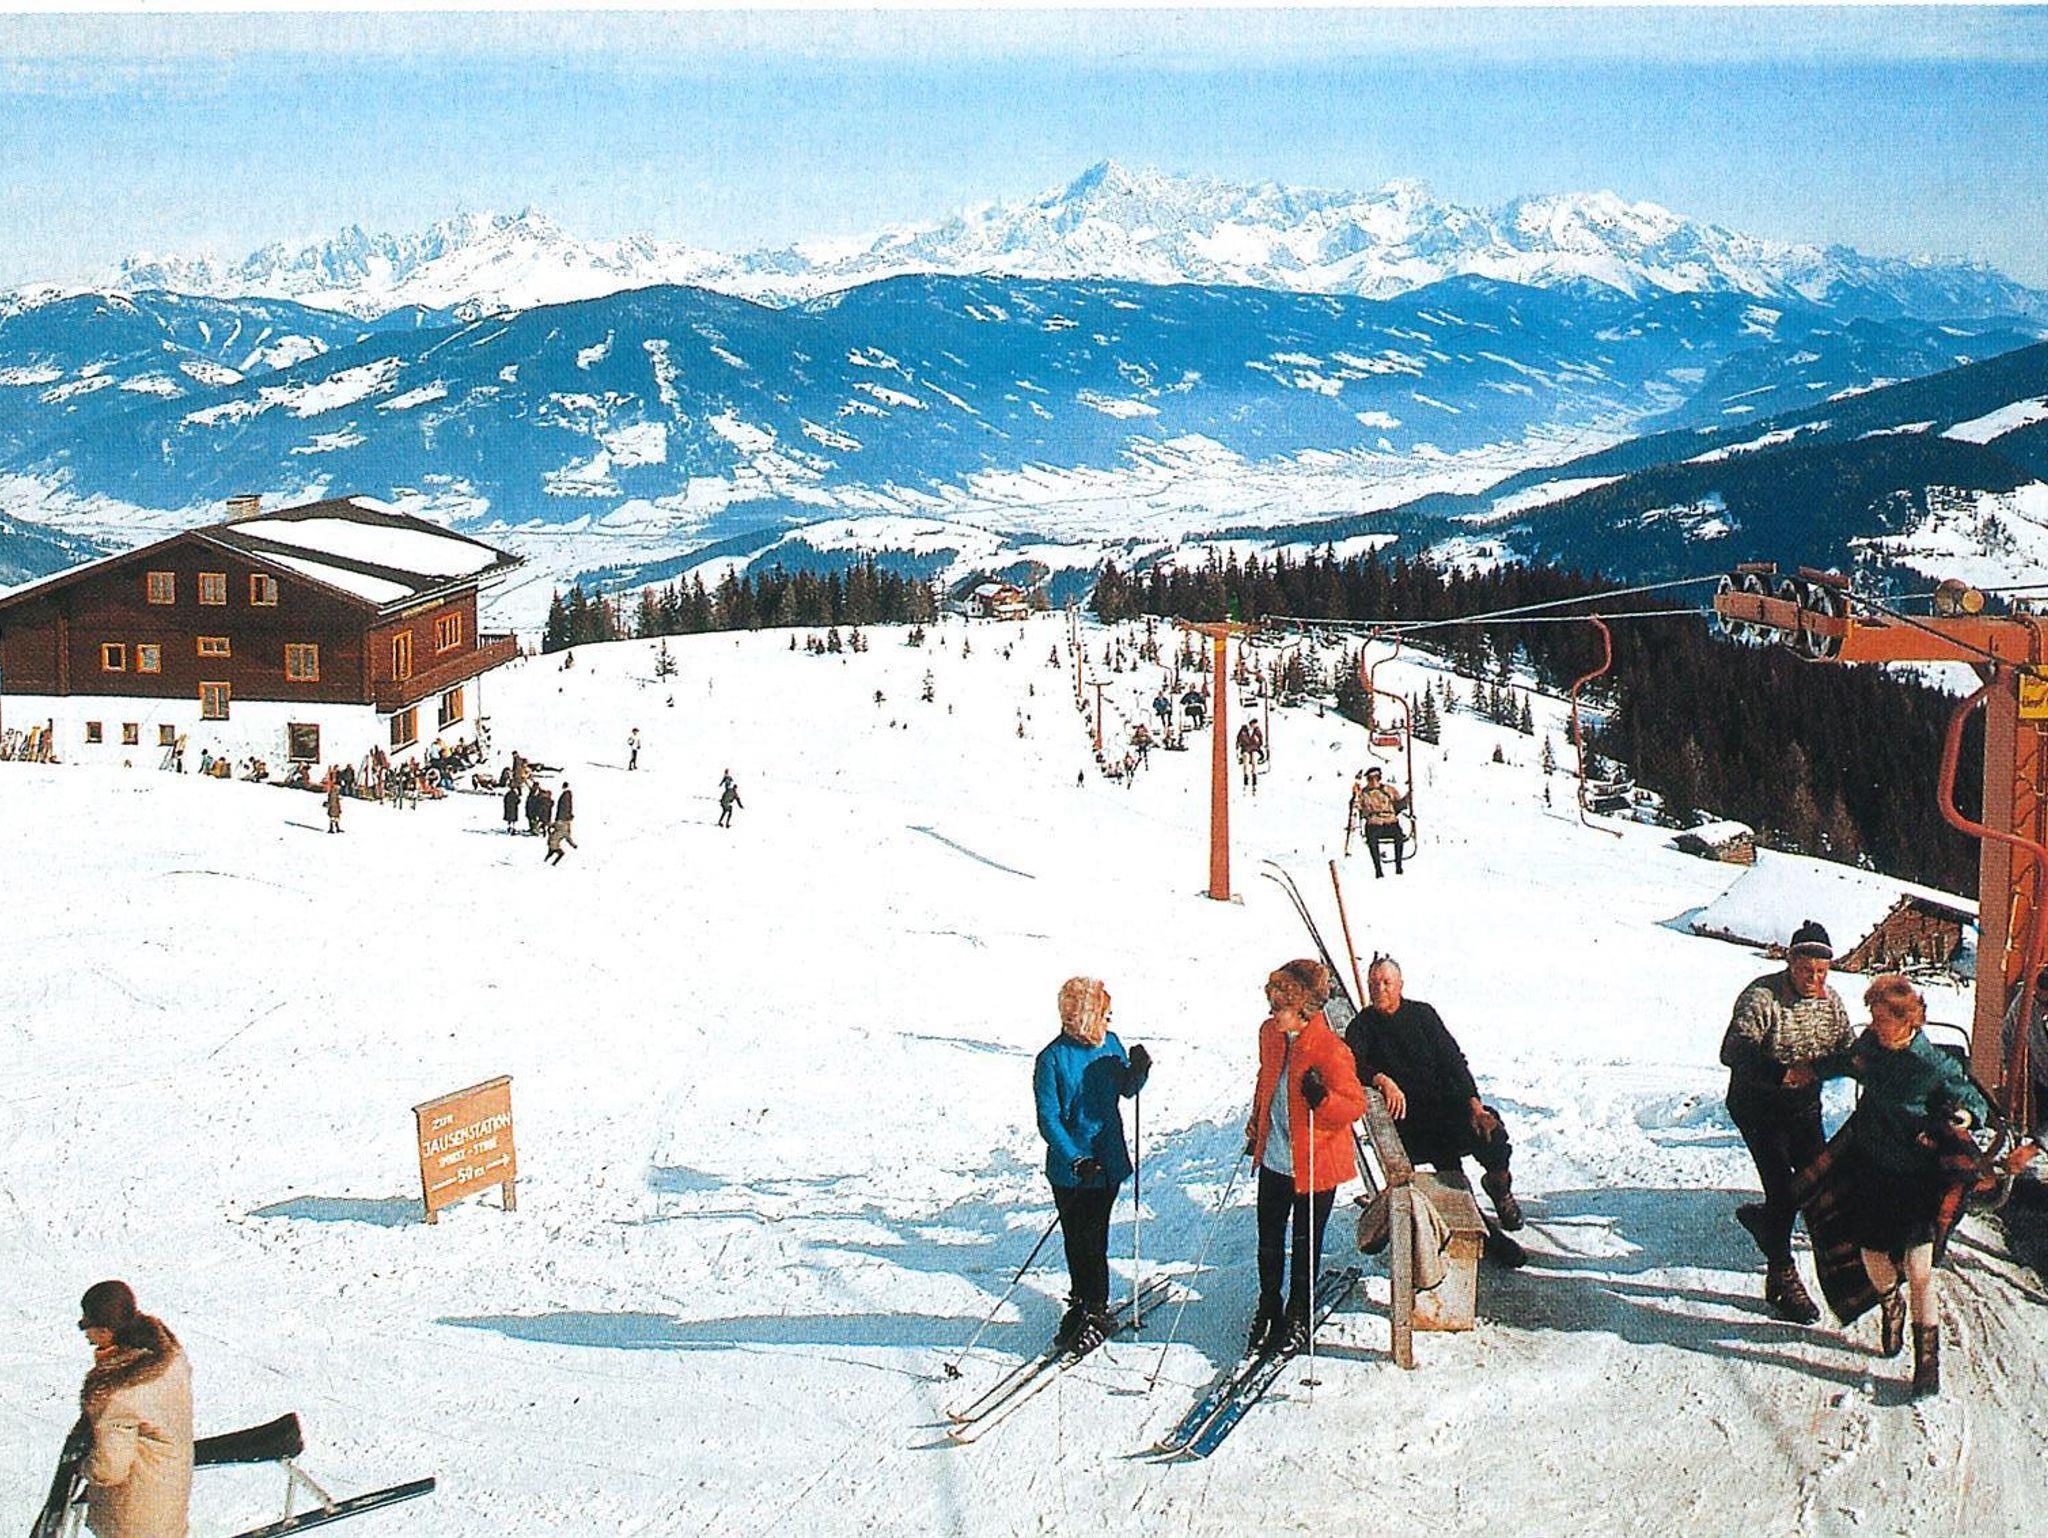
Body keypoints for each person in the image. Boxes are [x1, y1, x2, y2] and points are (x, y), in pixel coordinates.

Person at [1790, 974, 1990, 1396]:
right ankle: (1889, 1303)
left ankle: (1927, 1365)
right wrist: (1810, 1070)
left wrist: (1965, 1116)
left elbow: (1974, 1100)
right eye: (1874, 1018)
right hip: (1870, 1167)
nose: (1876, 1027)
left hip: (1916, 1178)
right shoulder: (1870, 1047)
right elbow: (1846, 1062)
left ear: (1909, 1021)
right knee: (1873, 1255)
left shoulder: (1932, 1064)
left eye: (1884, 1020)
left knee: (1920, 1271)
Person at [1721, 919, 1854, 1324]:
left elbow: (1849, 1050)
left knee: (1817, 1182)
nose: (1814, 979)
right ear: (1789, 963)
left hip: (1803, 1106)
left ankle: (1768, 1224)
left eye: (1821, 971)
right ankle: (1780, 1276)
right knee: (1781, 1188)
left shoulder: (1830, 1002)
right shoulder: (1762, 997)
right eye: (1805, 970)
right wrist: (1782, 1072)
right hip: (1758, 1106)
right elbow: (1734, 1050)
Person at [1346, 957, 1526, 1250]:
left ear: (1400, 985)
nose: (1380, 989)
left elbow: (1453, 1060)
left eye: (1386, 983)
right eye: (1373, 983)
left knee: (1491, 1132)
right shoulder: (1362, 1026)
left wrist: (1474, 1104)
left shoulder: (1422, 1015)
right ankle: (1486, 1236)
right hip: (1410, 1123)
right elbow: (1352, 1064)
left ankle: (1498, 1188)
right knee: (1448, 1170)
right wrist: (1381, 1079)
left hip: (1446, 1108)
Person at [1244, 959, 1366, 1354]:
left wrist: (1323, 1099)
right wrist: (1257, 1121)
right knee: (1268, 1239)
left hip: (1315, 1164)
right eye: (1271, 1004)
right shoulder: (1270, 1034)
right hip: (1275, 1159)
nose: (1271, 1012)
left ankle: (1298, 1312)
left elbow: (1355, 1105)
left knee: (1305, 1243)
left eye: (1279, 1006)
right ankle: (1269, 1305)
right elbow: (1266, 1080)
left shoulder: (1330, 1049)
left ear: (1303, 1010)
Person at [1033, 977, 1152, 1353]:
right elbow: (1049, 1118)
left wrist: (1139, 1070)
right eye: (1103, 1014)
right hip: (1071, 1167)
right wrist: (1075, 1158)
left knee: (1093, 1236)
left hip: (1107, 1159)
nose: (1108, 1020)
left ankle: (1095, 1305)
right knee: (1075, 1237)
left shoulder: (1109, 1044)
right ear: (1084, 1017)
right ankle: (1081, 1301)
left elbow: (1126, 1088)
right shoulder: (1052, 1059)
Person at [76, 1279, 193, 1538]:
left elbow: (110, 1468)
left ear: (106, 1331)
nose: (85, 1333)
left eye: (88, 1325)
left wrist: (83, 1466)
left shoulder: (117, 1393)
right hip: (168, 1486)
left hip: (136, 1513)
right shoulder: (168, 1356)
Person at [1355, 767, 1406, 878]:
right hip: (1374, 823)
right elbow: (1358, 806)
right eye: (1370, 779)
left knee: (1398, 837)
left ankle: (1399, 866)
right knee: (1372, 840)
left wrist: (1407, 798)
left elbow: (1399, 805)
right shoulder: (1364, 793)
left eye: (1375, 778)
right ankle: (1378, 869)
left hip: (1390, 821)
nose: (1372, 782)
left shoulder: (1389, 790)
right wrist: (1356, 800)